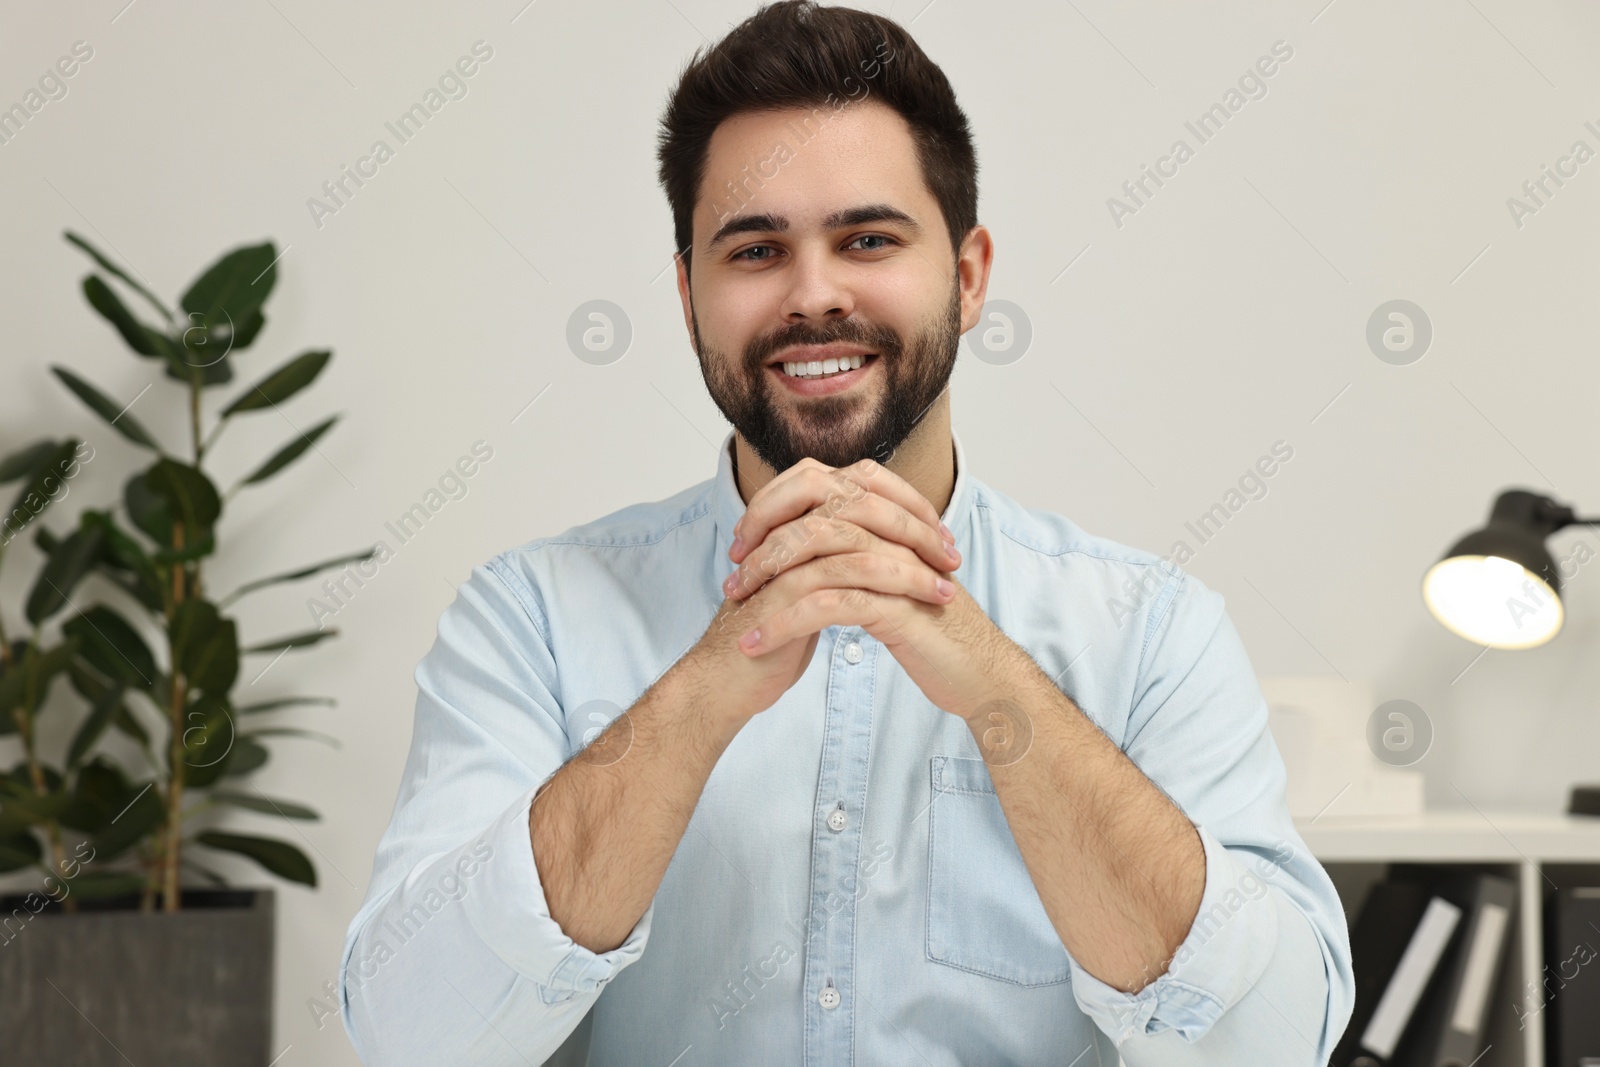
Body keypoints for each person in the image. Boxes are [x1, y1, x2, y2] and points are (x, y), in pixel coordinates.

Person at [340, 3, 1354, 1063]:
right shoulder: (533, 619)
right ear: (688, 296)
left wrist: (992, 679)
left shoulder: (1151, 632)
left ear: (966, 275)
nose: (813, 293)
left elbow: (1273, 1042)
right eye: (755, 249)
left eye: (867, 239)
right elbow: (415, 1037)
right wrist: (706, 685)